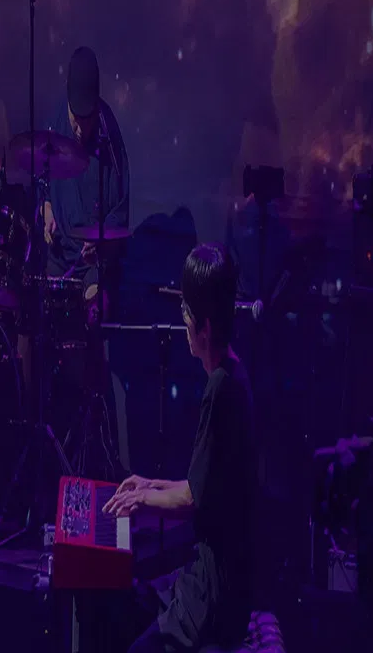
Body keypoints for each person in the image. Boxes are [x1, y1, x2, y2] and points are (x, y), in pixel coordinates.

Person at [102, 243, 259, 652]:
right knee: (125, 602)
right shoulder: (231, 375)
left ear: (203, 327)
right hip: (208, 576)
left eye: (186, 313)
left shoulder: (222, 390)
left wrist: (140, 501)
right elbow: (201, 484)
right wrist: (148, 484)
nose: (182, 321)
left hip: (216, 592)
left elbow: (192, 500)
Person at [42, 45, 131, 320]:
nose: (80, 129)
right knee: (42, 314)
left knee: (93, 314)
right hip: (60, 253)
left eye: (87, 120)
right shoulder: (56, 122)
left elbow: (121, 207)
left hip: (94, 260)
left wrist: (101, 241)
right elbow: (42, 176)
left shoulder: (109, 135)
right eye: (76, 120)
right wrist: (46, 206)